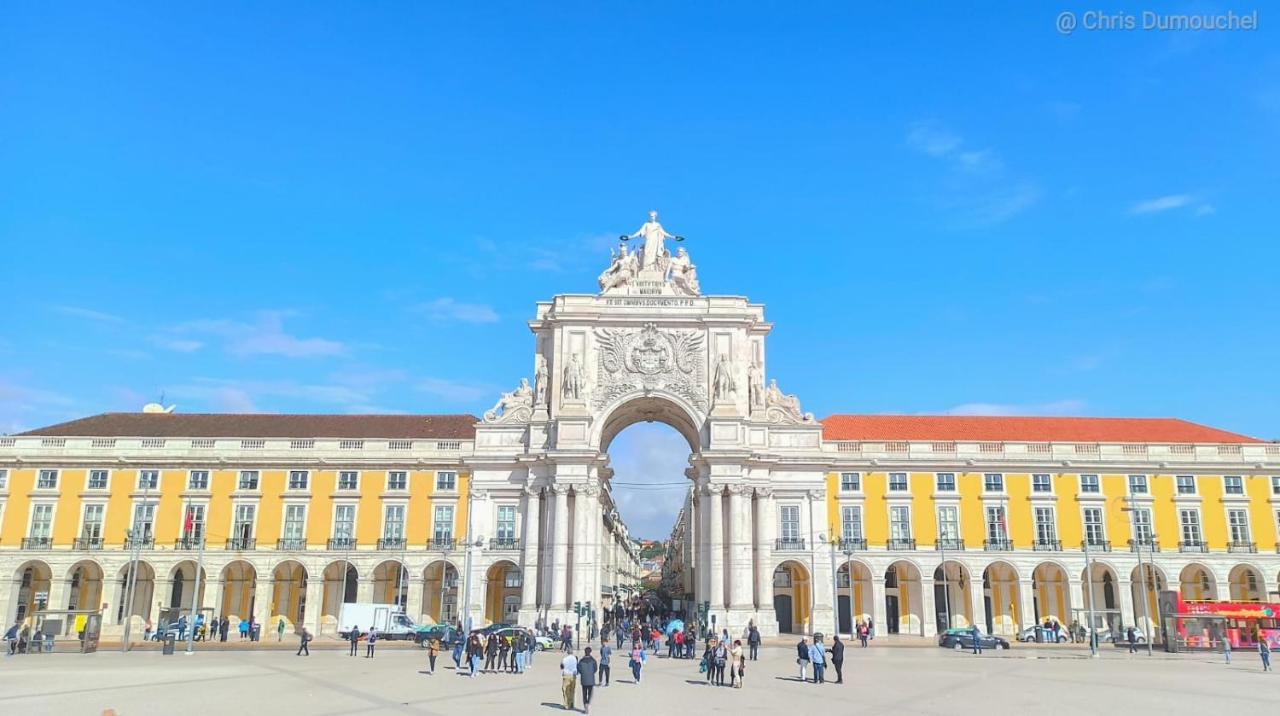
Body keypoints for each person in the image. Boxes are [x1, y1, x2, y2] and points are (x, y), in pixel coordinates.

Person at [577, 646, 598, 714]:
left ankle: (585, 703)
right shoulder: (593, 660)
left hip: (584, 679)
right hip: (591, 679)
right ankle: (588, 702)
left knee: (584, 693)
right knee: (590, 692)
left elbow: (579, 669)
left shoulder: (581, 661)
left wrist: (583, 673)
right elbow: (595, 669)